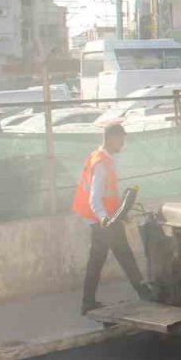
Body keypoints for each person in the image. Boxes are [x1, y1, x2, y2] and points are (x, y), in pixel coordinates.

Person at [72, 123, 152, 314]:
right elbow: (95, 197)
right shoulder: (101, 163)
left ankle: (88, 302)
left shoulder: (100, 157)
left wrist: (119, 213)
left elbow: (107, 195)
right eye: (120, 139)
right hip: (102, 220)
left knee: (98, 260)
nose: (122, 143)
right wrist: (106, 220)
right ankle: (145, 293)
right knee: (124, 255)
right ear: (111, 138)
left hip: (100, 218)